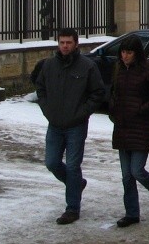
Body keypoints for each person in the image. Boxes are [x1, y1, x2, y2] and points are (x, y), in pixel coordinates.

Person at [35, 28, 105, 225]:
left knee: (73, 166)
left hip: (76, 124)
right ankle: (76, 185)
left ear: (76, 44)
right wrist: (47, 109)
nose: (65, 46)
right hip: (55, 123)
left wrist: (82, 112)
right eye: (62, 42)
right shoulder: (49, 65)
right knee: (52, 162)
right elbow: (40, 88)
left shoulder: (87, 66)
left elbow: (97, 93)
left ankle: (72, 208)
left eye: (68, 43)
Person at [110, 34, 149, 228]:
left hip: (140, 126)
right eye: (123, 52)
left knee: (137, 170)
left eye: (129, 52)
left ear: (137, 53)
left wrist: (143, 108)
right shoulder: (119, 68)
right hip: (122, 125)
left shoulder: (147, 68)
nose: (125, 56)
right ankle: (131, 213)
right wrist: (114, 111)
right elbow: (114, 93)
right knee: (126, 175)